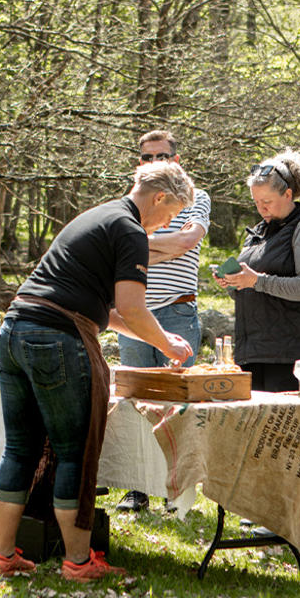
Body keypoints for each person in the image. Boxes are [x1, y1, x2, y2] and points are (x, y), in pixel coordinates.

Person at [0, 161, 195, 582]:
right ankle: (78, 562)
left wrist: (157, 335)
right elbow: (133, 308)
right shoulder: (131, 230)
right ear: (159, 197)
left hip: (14, 329)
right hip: (56, 336)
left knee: (20, 450)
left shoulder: (99, 216)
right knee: (74, 452)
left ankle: (2, 555)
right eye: (171, 214)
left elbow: (106, 312)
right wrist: (166, 344)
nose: (166, 224)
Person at [115, 129, 210, 512]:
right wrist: (157, 246)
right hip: (131, 313)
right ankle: (137, 488)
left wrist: (140, 245)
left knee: (178, 403)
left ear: (176, 159)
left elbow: (187, 242)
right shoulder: (132, 203)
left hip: (177, 310)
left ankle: (177, 492)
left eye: (162, 156)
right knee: (135, 401)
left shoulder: (195, 197)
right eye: (148, 157)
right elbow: (121, 250)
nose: (155, 163)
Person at [218, 149, 300, 392]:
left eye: (267, 202)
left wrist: (257, 281)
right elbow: (251, 289)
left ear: (288, 194)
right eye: (256, 202)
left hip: (290, 353)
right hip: (252, 351)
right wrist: (234, 283)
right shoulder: (256, 233)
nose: (261, 208)